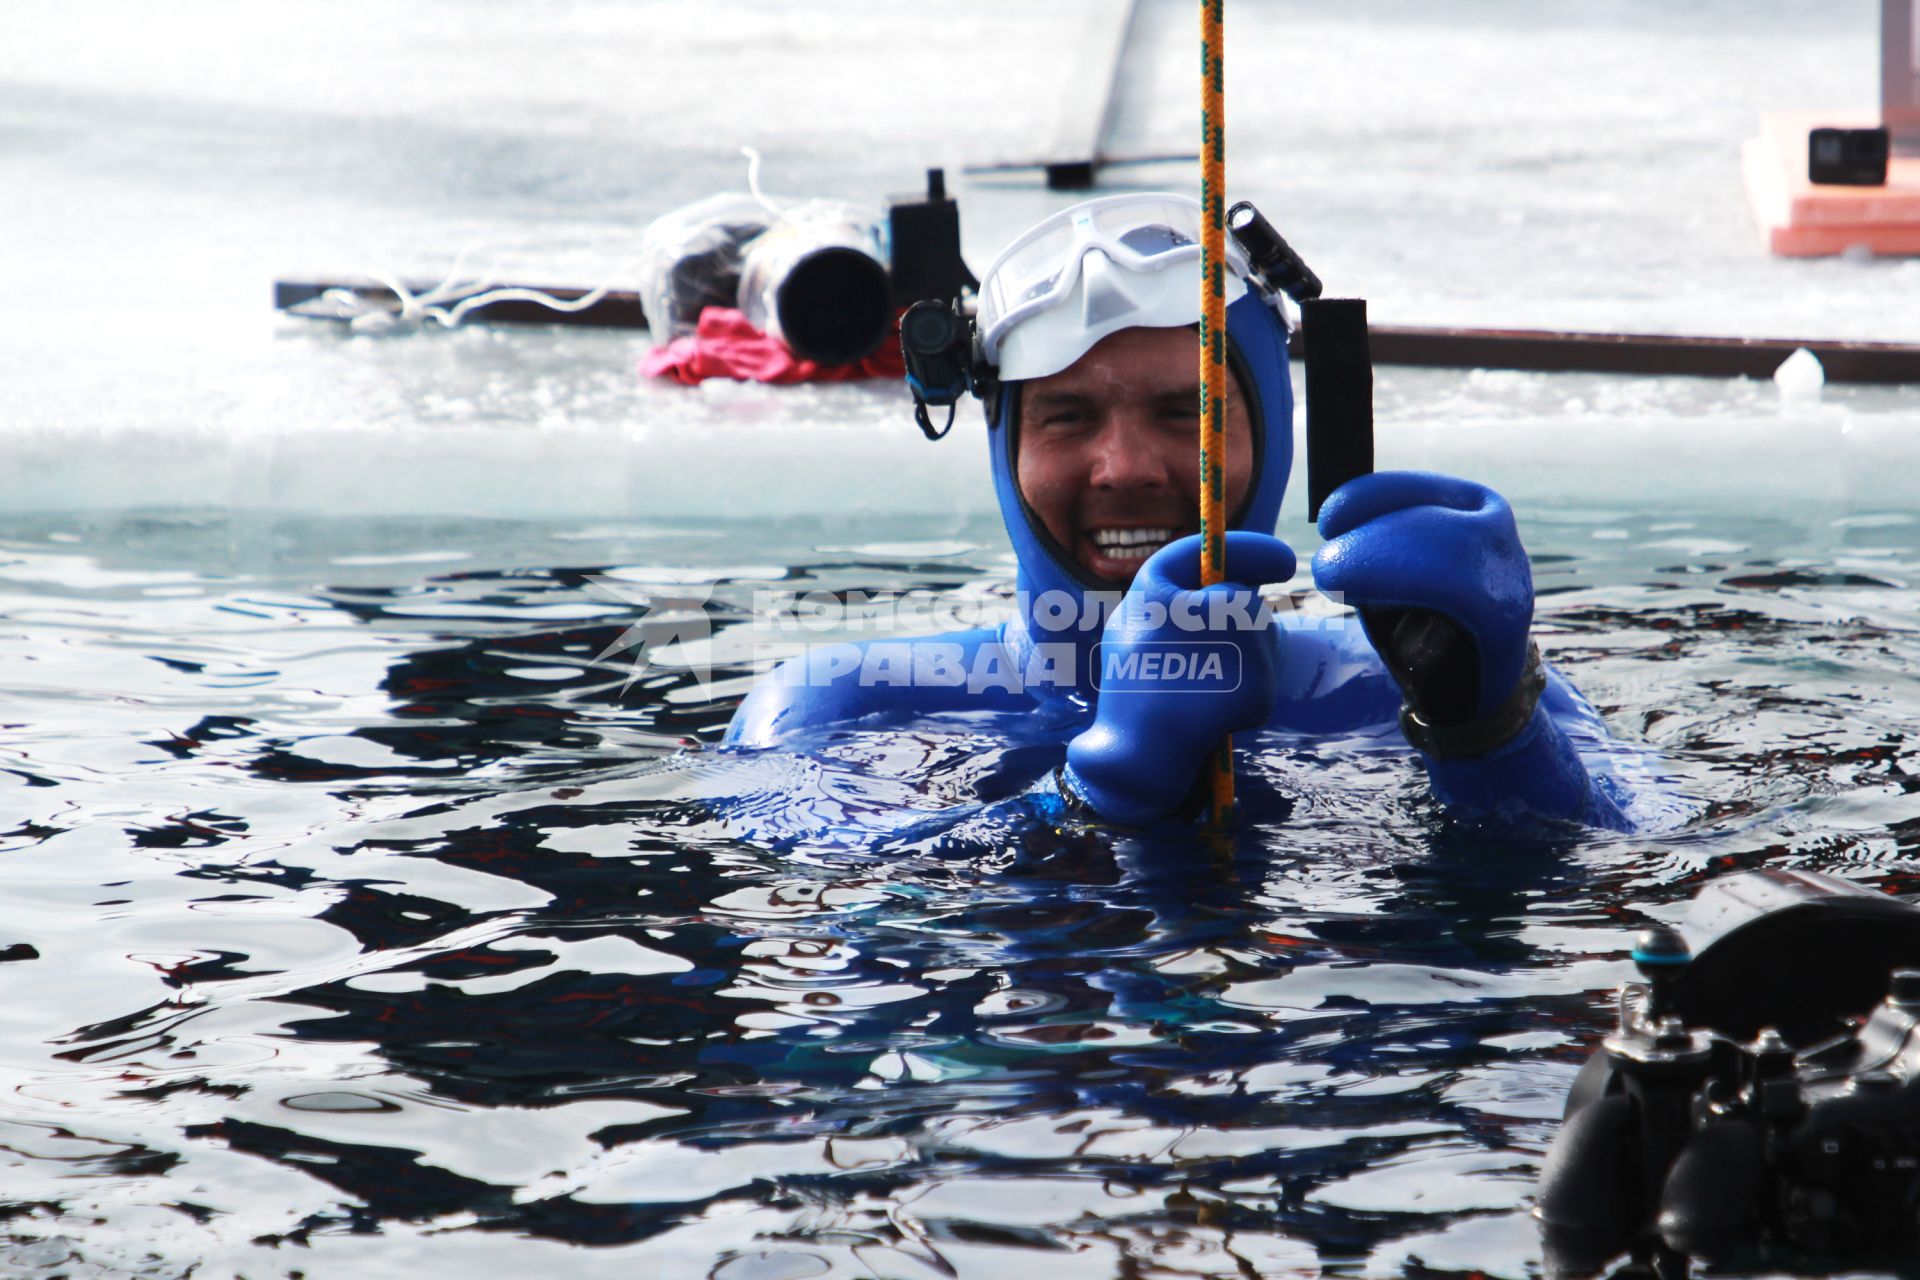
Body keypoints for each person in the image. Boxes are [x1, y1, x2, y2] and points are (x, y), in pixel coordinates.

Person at [726, 192, 1636, 831]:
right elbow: (823, 981)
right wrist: (1106, 787)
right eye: (1069, 417)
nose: (1126, 469)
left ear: (1275, 433)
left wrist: (1488, 731)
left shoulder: (1420, 685)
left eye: (1186, 413)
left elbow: (1623, 888)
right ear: (1004, 446)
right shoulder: (840, 709)